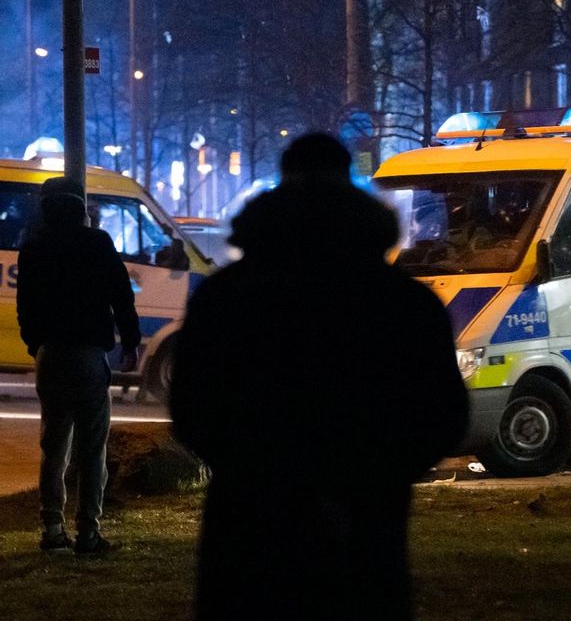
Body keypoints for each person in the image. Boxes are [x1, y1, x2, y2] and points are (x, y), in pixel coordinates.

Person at [169, 133, 469, 620]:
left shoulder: (226, 300)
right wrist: (376, 477)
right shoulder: (404, 304)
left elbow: (192, 409)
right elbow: (442, 416)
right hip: (366, 534)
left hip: (248, 537)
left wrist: (258, 472)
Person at [17, 176, 141, 555]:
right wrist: (131, 343)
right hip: (88, 355)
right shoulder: (97, 244)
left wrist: (35, 345)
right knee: (92, 449)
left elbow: (26, 307)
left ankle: (52, 529)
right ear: (80, 206)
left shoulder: (33, 248)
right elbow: (122, 297)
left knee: (53, 446)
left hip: (50, 355)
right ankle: (89, 532)